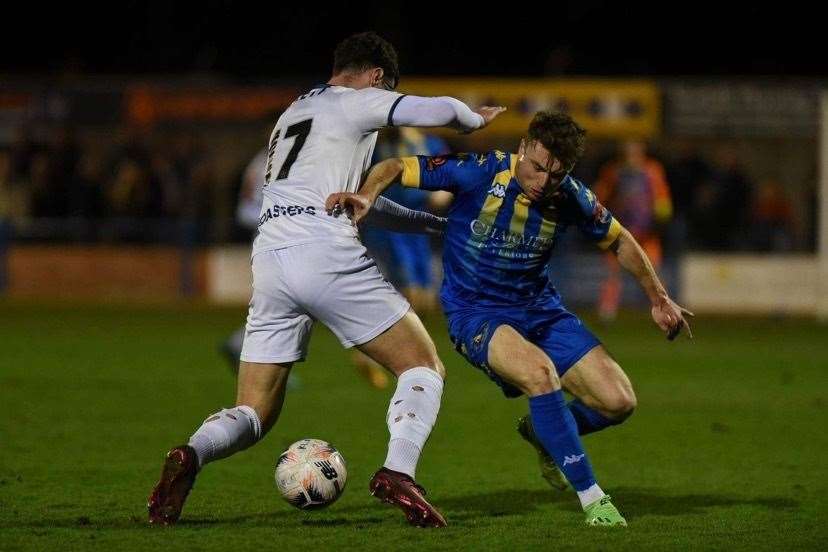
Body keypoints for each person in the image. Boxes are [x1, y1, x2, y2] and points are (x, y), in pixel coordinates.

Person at [147, 31, 504, 528]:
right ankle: (398, 473)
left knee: (254, 412)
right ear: (377, 77)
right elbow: (440, 110)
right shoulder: (356, 102)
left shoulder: (293, 112)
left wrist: (434, 224)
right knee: (423, 365)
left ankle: (191, 453)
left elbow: (358, 203)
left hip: (271, 260)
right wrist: (473, 119)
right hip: (325, 252)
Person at [328, 111, 692, 527]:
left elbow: (621, 240)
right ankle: (594, 499)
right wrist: (368, 196)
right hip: (476, 313)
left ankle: (543, 433)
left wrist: (659, 298)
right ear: (523, 148)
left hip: (540, 309)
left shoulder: (571, 196)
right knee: (540, 374)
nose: (542, 182)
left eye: (555, 176)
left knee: (619, 401)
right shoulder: (479, 171)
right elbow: (394, 166)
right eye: (536, 168)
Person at [593, 140, 673, 321]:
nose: (632, 156)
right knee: (612, 274)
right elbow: (601, 195)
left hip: (647, 234)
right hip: (620, 233)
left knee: (654, 275)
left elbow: (662, 197)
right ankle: (607, 312)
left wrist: (660, 221)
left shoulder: (652, 170)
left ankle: (665, 312)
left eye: (635, 152)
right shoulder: (614, 171)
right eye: (628, 152)